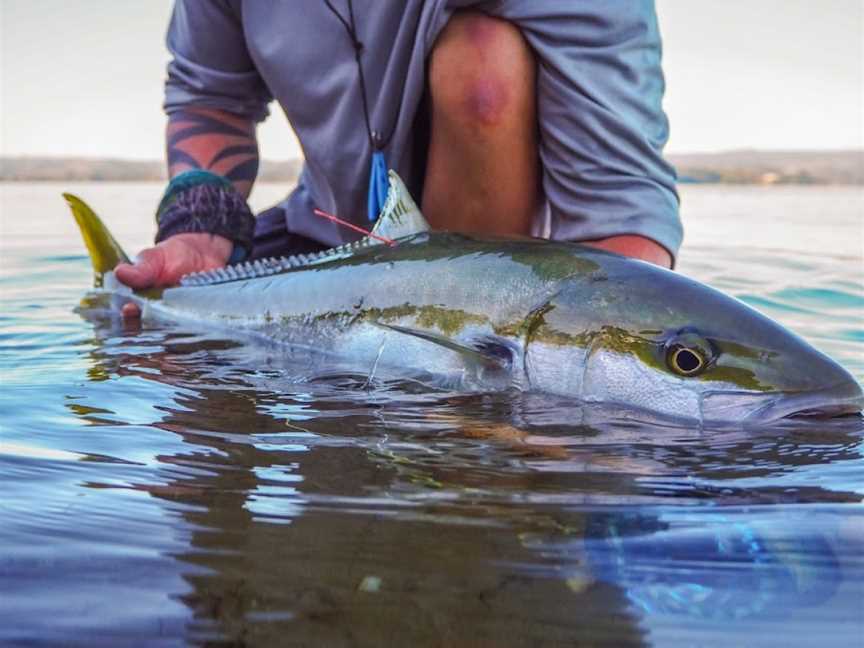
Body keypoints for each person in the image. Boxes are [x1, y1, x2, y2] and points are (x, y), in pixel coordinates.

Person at [117, 1, 681, 317]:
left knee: (483, 60)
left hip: (520, 274)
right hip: (322, 233)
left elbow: (620, 210)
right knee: (151, 331)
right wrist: (201, 228)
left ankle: (461, 349)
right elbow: (212, 97)